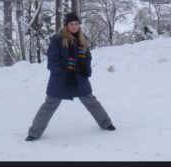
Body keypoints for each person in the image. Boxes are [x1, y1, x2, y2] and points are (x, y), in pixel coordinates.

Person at [25, 12, 116, 141]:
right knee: (49, 105)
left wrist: (86, 69)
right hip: (60, 79)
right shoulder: (57, 38)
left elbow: (88, 56)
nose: (74, 26)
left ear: (79, 25)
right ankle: (34, 133)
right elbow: (52, 60)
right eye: (71, 24)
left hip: (79, 78)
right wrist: (60, 73)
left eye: (76, 24)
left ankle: (106, 123)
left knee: (91, 101)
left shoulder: (81, 38)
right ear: (66, 25)